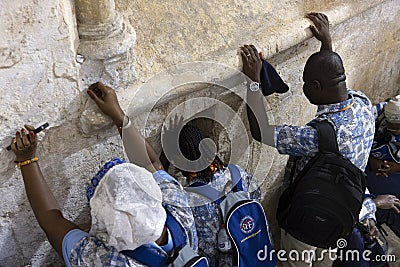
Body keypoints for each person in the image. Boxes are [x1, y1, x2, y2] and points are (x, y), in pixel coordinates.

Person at [9, 82, 203, 267]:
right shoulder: (180, 214)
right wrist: (117, 114)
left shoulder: (106, 261)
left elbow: (53, 225)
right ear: (154, 196)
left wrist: (26, 159)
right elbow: (150, 163)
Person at [241, 12, 376, 266]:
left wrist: (253, 82)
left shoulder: (316, 136)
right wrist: (327, 45)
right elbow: (333, 78)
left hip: (308, 218)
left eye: (305, 84)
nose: (302, 89)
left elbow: (261, 131)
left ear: (315, 86)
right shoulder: (362, 103)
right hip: (340, 214)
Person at [160, 121, 264, 267]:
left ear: (177, 161)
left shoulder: (189, 199)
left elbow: (194, 245)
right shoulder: (236, 173)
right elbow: (258, 195)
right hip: (255, 254)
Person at [366, 95, 400, 237]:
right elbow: (355, 149)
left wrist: (397, 167)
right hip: (371, 169)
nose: (397, 133)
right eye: (393, 129)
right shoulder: (373, 116)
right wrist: (371, 160)